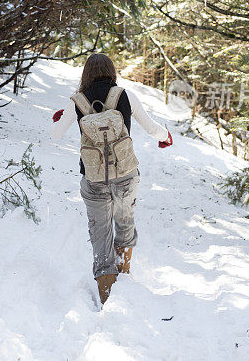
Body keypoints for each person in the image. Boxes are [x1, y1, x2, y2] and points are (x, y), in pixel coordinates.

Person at [50, 53, 173, 305]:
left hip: (94, 178)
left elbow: (55, 134)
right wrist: (165, 135)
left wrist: (63, 117)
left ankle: (107, 296)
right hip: (125, 175)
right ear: (111, 71)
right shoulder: (124, 95)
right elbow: (151, 127)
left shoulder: (78, 101)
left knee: (100, 232)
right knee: (125, 221)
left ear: (86, 74)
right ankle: (124, 279)